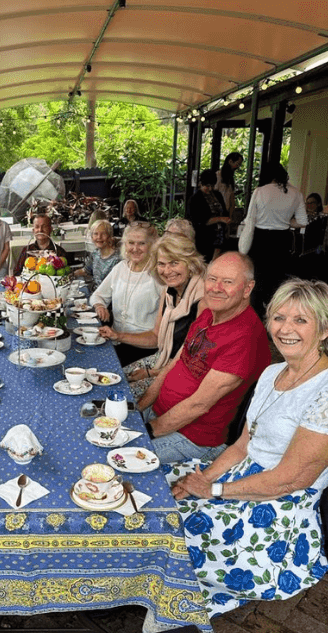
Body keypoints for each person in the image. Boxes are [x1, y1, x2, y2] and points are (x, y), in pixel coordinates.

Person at [168, 278, 328, 618]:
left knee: (183, 539)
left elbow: (292, 479)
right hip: (241, 476)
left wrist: (213, 489)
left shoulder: (325, 391)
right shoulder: (272, 373)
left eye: (301, 320)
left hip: (280, 503)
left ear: (325, 330)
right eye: (279, 317)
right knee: (163, 491)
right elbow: (243, 444)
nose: (286, 329)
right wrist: (202, 477)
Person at [140, 252, 272, 465]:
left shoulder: (245, 337)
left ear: (247, 288)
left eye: (227, 282)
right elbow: (175, 363)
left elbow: (198, 405)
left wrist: (146, 431)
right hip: (160, 416)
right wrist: (140, 407)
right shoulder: (209, 313)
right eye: (212, 279)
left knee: (119, 458)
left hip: (194, 439)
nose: (216, 288)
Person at [102, 234, 206, 400]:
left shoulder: (202, 300)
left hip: (182, 372)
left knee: (120, 396)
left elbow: (191, 359)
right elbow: (155, 337)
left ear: (190, 263)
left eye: (174, 263)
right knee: (109, 378)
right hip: (162, 358)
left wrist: (150, 373)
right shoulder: (168, 291)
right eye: (162, 264)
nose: (167, 271)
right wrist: (117, 335)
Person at [90, 221, 161, 365]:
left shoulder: (158, 275)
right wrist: (100, 306)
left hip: (142, 348)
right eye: (131, 243)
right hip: (116, 341)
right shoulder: (120, 268)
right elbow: (97, 296)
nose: (135, 249)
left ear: (152, 246)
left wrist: (118, 336)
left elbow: (158, 337)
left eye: (141, 243)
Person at [246, 161, 308, 313]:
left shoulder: (260, 191)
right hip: (282, 239)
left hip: (261, 238)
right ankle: (273, 314)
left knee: (257, 279)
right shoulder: (296, 193)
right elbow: (302, 222)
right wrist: (285, 221)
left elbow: (250, 219)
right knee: (277, 279)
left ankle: (254, 316)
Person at [11, 211, 71, 276]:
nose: (40, 230)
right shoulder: (27, 251)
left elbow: (66, 273)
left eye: (44, 226)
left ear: (50, 229)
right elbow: (17, 273)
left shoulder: (59, 252)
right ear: (33, 231)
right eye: (37, 227)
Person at [187, 168, 229, 260]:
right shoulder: (195, 199)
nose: (210, 189)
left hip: (219, 237)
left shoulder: (217, 195)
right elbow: (199, 221)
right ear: (201, 183)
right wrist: (220, 219)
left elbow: (224, 211)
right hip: (204, 238)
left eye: (212, 186)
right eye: (207, 186)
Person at [77, 219, 122, 293]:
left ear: (110, 236)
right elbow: (86, 271)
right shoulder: (95, 253)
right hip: (95, 293)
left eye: (103, 234)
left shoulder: (117, 259)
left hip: (108, 299)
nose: (99, 237)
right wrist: (70, 274)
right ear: (92, 237)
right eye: (95, 234)